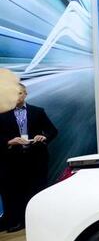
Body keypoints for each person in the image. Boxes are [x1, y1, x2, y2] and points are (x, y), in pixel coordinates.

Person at [0, 83, 58, 232]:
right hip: (13, 159)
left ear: (25, 94)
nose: (16, 96)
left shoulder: (37, 112)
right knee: (14, 191)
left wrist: (43, 136)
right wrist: (9, 141)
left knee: (37, 190)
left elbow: (52, 130)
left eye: (19, 93)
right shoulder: (3, 113)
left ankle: (38, 220)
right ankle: (18, 220)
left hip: (36, 158)